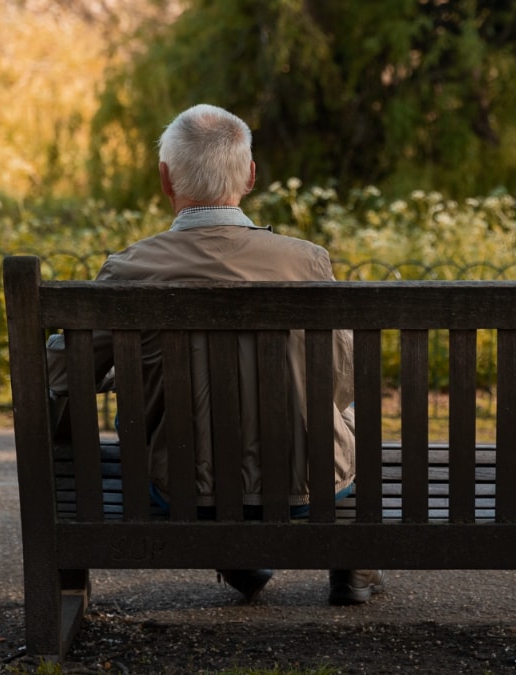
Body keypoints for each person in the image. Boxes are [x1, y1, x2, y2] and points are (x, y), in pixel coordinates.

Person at [45, 103, 382, 606]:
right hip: (308, 490)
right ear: (249, 176)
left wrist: (124, 373)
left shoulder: (130, 270)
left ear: (165, 179)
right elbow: (339, 383)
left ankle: (240, 556)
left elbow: (60, 373)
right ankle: (353, 563)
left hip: (179, 490)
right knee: (341, 418)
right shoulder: (306, 262)